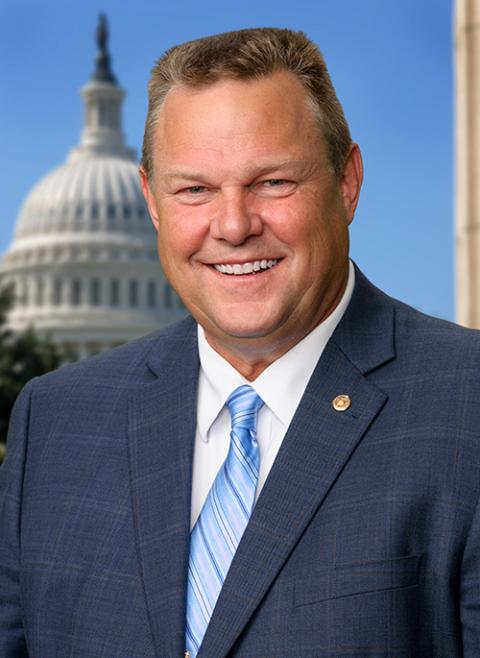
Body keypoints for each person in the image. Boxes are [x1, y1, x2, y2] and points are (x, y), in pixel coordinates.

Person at [1, 27, 479, 658]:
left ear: (347, 182)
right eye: (194, 189)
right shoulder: (57, 423)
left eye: (273, 182)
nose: (232, 226)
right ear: (151, 202)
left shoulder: (466, 401)